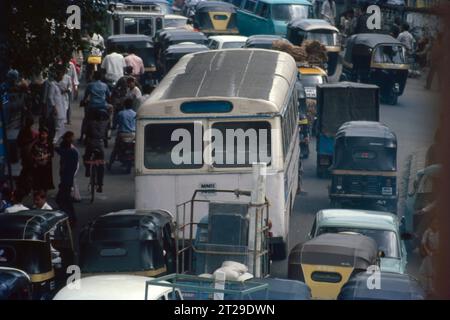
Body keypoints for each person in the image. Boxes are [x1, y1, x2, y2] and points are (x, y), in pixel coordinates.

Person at [55, 131, 79, 224]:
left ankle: (69, 217)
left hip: (67, 180)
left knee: (62, 200)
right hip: (66, 179)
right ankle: (70, 218)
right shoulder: (70, 151)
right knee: (65, 200)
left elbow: (59, 150)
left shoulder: (71, 152)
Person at [80, 71, 111, 142]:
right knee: (108, 118)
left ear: (94, 77)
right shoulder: (105, 85)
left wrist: (84, 101)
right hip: (103, 106)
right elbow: (108, 96)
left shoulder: (90, 85)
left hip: (92, 106)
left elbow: (85, 96)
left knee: (86, 120)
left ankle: (82, 136)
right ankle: (107, 131)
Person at [84, 109, 108, 193]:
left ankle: (87, 169)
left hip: (91, 144)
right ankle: (100, 185)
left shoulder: (90, 123)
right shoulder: (105, 123)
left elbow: (86, 133)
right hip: (100, 145)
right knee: (101, 164)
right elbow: (106, 135)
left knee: (86, 156)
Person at [109, 98, 136, 170]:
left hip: (122, 135)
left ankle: (110, 164)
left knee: (115, 149)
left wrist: (113, 127)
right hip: (133, 135)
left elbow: (115, 123)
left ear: (124, 105)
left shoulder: (121, 113)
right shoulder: (135, 114)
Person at [16, 116, 39, 196]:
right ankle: (27, 189)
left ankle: (23, 187)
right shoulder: (31, 133)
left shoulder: (23, 131)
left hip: (25, 155)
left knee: (25, 172)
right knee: (29, 173)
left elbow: (18, 143)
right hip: (30, 156)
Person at [30, 127, 54, 192]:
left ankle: (44, 193)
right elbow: (32, 153)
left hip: (46, 166)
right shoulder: (36, 144)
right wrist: (35, 158)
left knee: (45, 181)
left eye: (44, 134)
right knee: (38, 180)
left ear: (47, 135)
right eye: (41, 134)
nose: (42, 135)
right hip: (37, 166)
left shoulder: (49, 144)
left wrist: (44, 157)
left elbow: (51, 154)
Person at [419, 217, 439, 297]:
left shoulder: (440, 232)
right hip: (429, 254)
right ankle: (427, 289)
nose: (436, 225)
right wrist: (428, 252)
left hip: (437, 254)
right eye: (434, 223)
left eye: (437, 224)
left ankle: (430, 289)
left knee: (432, 272)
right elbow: (423, 243)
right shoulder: (427, 232)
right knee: (427, 272)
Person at [48, 69, 67, 144]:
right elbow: (50, 97)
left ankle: (61, 137)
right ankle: (54, 140)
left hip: (62, 104)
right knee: (58, 122)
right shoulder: (52, 84)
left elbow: (64, 90)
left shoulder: (60, 84)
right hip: (57, 106)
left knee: (62, 121)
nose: (62, 77)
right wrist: (54, 107)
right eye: (61, 75)